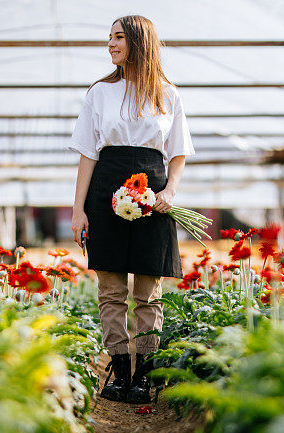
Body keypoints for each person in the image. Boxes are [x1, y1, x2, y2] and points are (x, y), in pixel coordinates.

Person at [68, 14, 195, 404]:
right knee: (110, 290)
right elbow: (88, 155)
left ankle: (144, 375)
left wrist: (170, 191)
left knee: (147, 292)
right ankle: (119, 371)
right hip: (105, 189)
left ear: (139, 42)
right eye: (109, 37)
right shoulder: (98, 94)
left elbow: (177, 152)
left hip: (152, 196)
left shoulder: (167, 93)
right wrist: (78, 210)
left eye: (119, 37)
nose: (110, 44)